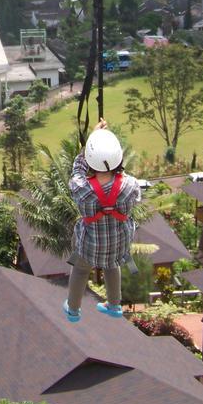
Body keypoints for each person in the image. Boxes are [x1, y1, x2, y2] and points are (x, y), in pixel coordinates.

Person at [63, 119, 141, 322]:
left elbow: (77, 170)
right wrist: (105, 145)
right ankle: (114, 305)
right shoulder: (130, 185)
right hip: (118, 244)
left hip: (90, 245)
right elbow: (126, 182)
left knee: (80, 271)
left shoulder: (81, 188)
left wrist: (92, 139)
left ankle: (73, 310)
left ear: (90, 159)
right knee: (111, 264)